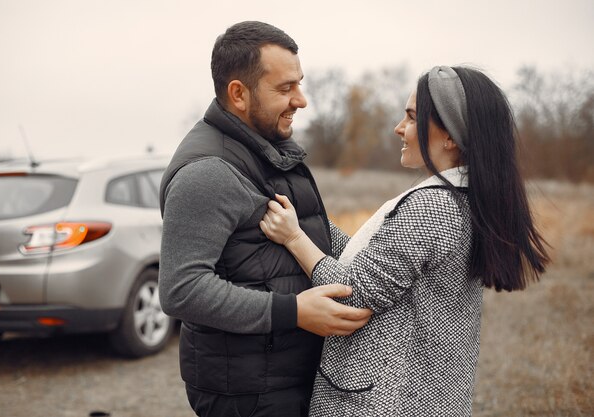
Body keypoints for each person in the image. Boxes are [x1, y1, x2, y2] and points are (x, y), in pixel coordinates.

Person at [260, 66, 550, 416]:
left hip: (383, 402)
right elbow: (380, 264)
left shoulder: (433, 206)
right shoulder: (464, 196)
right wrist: (311, 225)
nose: (399, 128)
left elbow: (354, 292)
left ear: (450, 137)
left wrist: (293, 237)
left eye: (412, 118)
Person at [158, 21, 372, 417]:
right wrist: (294, 311)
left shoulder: (268, 147)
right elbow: (181, 289)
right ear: (238, 93)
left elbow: (309, 230)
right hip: (248, 394)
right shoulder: (207, 171)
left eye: (300, 84)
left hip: (285, 377)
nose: (302, 100)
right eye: (285, 88)